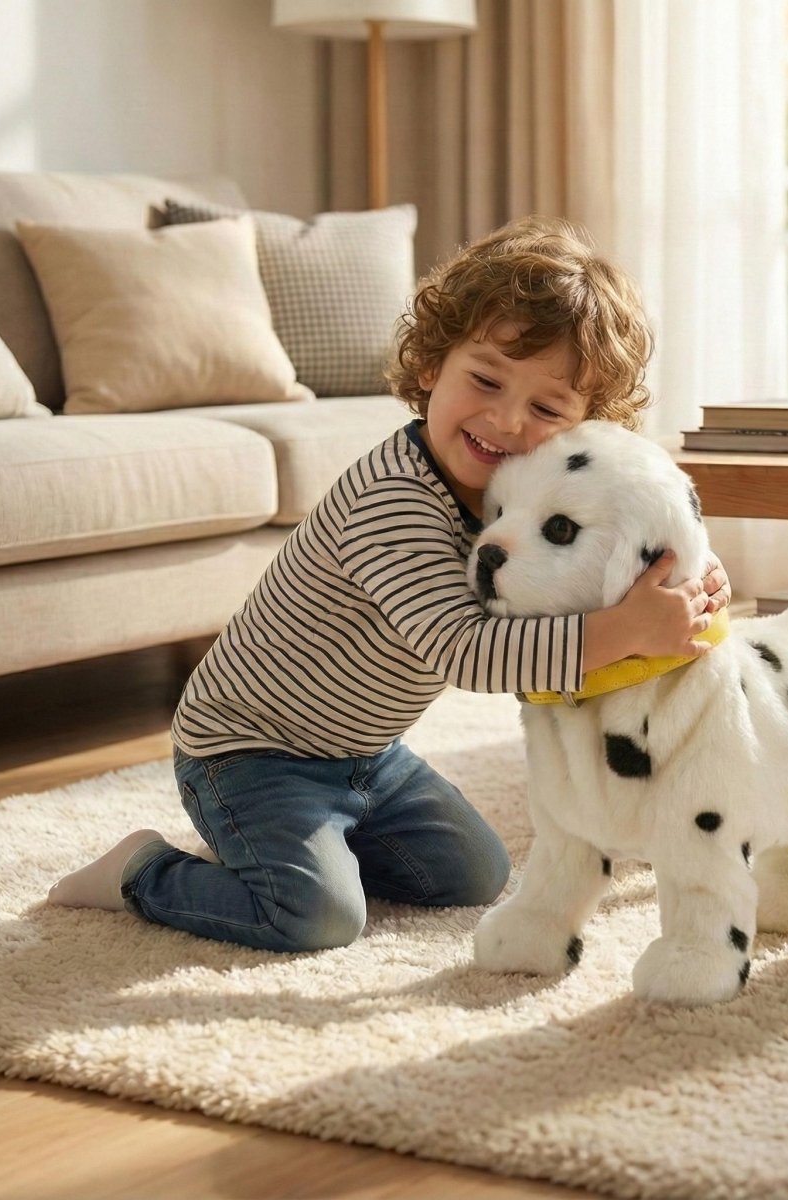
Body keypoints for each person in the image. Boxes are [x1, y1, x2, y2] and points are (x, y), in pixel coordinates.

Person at [48, 215, 731, 952]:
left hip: (366, 752)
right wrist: (625, 631)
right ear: (433, 364)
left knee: (473, 873)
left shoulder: (521, 496)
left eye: (545, 408)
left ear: (583, 429)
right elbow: (468, 652)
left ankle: (318, 841)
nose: (504, 420)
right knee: (314, 917)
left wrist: (687, 576)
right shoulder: (393, 501)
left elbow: (613, 535)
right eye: (486, 380)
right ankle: (140, 873)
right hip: (247, 751)